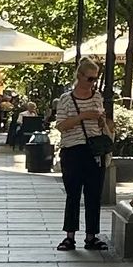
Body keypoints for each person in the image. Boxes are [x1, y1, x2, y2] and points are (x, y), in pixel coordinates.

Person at [54, 56, 110, 251]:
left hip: (95, 150)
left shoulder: (97, 97)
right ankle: (69, 236)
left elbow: (101, 124)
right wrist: (83, 116)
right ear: (79, 76)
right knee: (73, 194)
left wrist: (101, 120)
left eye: (95, 78)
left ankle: (91, 236)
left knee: (94, 195)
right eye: (90, 78)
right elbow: (61, 126)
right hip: (72, 150)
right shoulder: (66, 99)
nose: (92, 82)